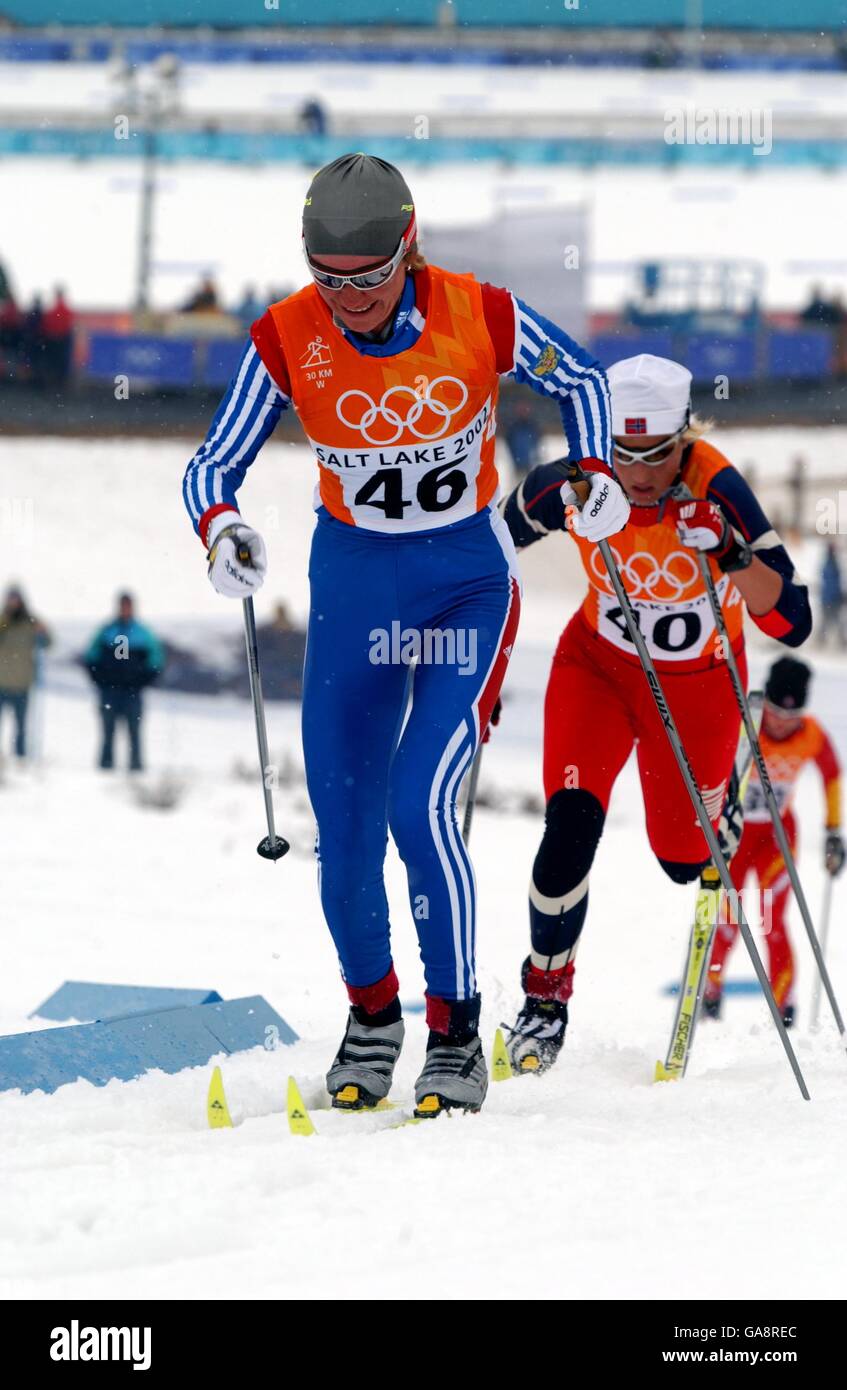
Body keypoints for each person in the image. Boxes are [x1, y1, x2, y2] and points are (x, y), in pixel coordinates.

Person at [182, 152, 626, 1117]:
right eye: (326, 277)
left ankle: (457, 1030)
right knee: (341, 837)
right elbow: (212, 462)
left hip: (463, 586)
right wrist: (221, 529)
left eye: (367, 278)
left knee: (419, 807)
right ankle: (371, 1016)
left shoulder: (481, 311)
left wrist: (593, 474)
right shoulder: (285, 335)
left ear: (408, 249)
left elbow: (584, 383)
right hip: (352, 589)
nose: (345, 300)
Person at [499, 353, 813, 1074]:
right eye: (622, 454)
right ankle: (544, 1001)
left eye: (657, 454)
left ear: (683, 437)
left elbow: (790, 620)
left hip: (698, 686)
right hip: (597, 669)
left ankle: (716, 812)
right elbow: (487, 544)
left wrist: (732, 553)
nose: (638, 475)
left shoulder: (716, 482)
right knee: (570, 822)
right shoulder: (572, 481)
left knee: (682, 861)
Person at [704, 658, 844, 1027]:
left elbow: (832, 774)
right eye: (776, 711)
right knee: (724, 917)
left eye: (792, 713)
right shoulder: (745, 725)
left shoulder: (811, 734)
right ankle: (708, 990)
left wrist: (833, 831)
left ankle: (785, 1007)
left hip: (775, 839)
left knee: (772, 921)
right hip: (732, 837)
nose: (782, 721)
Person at [85, 593, 164, 772]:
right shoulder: (106, 631)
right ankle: (105, 769)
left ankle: (136, 770)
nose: (125, 609)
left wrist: (143, 680)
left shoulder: (142, 633)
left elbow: (156, 659)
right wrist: (100, 680)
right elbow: (91, 656)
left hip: (133, 693)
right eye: (123, 606)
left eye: (128, 606)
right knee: (107, 733)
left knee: (134, 734)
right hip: (109, 692)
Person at [0, 585, 51, 760]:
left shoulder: (31, 622)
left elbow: (48, 643)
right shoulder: (3, 621)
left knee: (21, 727)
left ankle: (20, 758)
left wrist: (43, 632)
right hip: (2, 682)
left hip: (22, 683)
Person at [820, 542, 845, 648]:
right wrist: (837, 596)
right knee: (831, 620)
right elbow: (831, 584)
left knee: (832, 620)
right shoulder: (831, 565)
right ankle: (822, 639)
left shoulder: (832, 563)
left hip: (830, 598)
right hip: (830, 599)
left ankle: (823, 639)